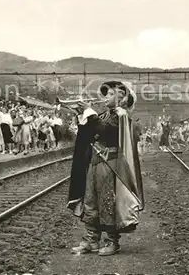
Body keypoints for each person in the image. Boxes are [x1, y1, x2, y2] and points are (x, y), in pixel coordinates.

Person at [67, 81, 144, 256]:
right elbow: (89, 133)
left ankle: (112, 241)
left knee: (108, 202)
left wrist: (89, 112)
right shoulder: (103, 115)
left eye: (110, 94)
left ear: (121, 98)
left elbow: (106, 131)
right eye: (106, 94)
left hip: (111, 165)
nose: (105, 97)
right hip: (95, 163)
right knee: (90, 201)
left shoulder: (121, 115)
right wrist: (82, 116)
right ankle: (91, 240)